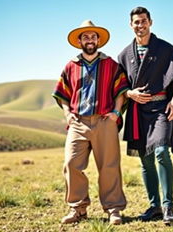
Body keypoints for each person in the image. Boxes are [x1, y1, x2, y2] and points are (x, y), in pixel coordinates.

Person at [118, 7, 173, 225]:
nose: (140, 26)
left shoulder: (165, 49)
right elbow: (119, 87)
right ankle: (154, 206)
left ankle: (168, 206)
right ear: (130, 25)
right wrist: (130, 93)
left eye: (143, 21)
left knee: (161, 151)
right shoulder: (124, 55)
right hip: (137, 111)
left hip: (161, 108)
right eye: (136, 22)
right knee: (145, 160)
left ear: (150, 22)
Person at [52, 20, 128, 225]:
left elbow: (121, 90)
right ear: (79, 41)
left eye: (93, 36)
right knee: (71, 163)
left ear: (98, 40)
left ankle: (113, 210)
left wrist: (115, 112)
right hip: (78, 122)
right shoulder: (71, 66)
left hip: (105, 121)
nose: (90, 40)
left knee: (109, 166)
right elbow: (62, 94)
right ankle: (78, 209)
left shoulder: (111, 64)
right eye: (85, 36)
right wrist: (68, 114)